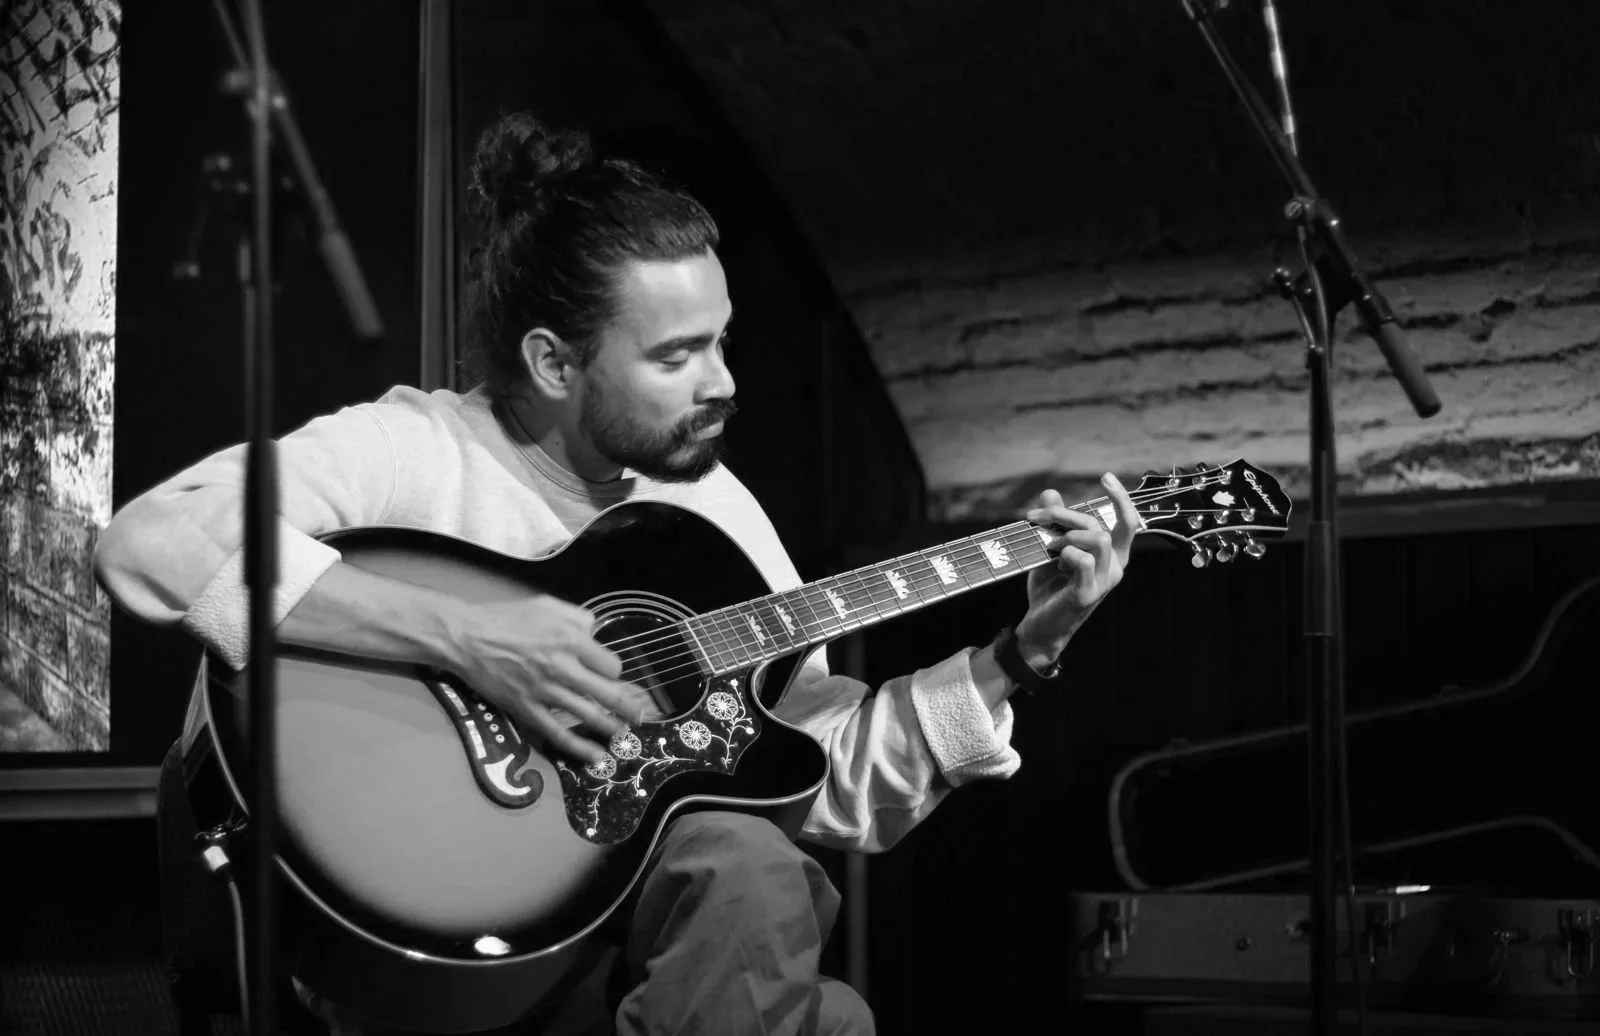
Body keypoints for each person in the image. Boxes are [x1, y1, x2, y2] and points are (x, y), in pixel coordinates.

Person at [94, 112, 1141, 1036]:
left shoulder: (713, 513)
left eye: (721, 343)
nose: (723, 383)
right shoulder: (419, 450)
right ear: (555, 362)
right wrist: (472, 640)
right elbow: (154, 540)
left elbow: (831, 776)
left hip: (636, 940)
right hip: (432, 934)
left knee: (757, 875)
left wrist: (1022, 651)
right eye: (676, 356)